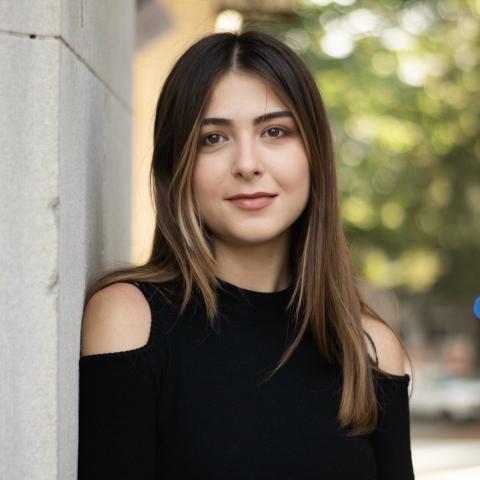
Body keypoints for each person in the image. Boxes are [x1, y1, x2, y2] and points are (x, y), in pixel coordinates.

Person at [77, 30, 415, 479]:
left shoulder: (369, 349)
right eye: (213, 139)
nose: (247, 163)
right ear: (177, 167)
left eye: (275, 131)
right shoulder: (131, 319)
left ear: (313, 154)